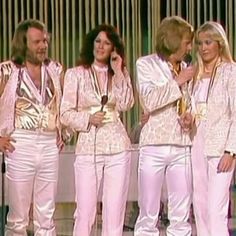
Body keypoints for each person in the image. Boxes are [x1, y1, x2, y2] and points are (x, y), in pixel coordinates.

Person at [60, 24, 134, 236]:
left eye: (107, 43)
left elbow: (127, 103)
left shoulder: (119, 73)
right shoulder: (75, 74)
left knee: (114, 211)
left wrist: (119, 71)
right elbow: (65, 113)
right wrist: (88, 118)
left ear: (114, 48)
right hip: (88, 146)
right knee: (85, 212)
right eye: (98, 41)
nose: (101, 46)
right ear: (91, 43)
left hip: (118, 146)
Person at [0, 19, 65, 235]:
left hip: (48, 145)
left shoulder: (54, 70)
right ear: (23, 44)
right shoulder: (7, 72)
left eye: (45, 41)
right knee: (18, 217)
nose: (43, 45)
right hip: (20, 144)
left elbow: (63, 104)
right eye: (37, 41)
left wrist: (62, 131)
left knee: (46, 217)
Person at [134, 16, 195, 236]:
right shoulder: (146, 64)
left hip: (182, 144)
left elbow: (191, 101)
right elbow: (149, 101)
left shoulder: (187, 67)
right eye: (187, 41)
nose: (190, 46)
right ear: (173, 40)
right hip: (154, 145)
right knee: (148, 212)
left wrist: (190, 115)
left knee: (181, 213)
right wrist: (178, 82)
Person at [191, 21, 236, 236]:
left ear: (219, 43)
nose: (203, 47)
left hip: (220, 148)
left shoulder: (230, 71)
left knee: (215, 209)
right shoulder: (196, 75)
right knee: (199, 207)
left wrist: (231, 150)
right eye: (200, 43)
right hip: (196, 144)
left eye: (208, 42)